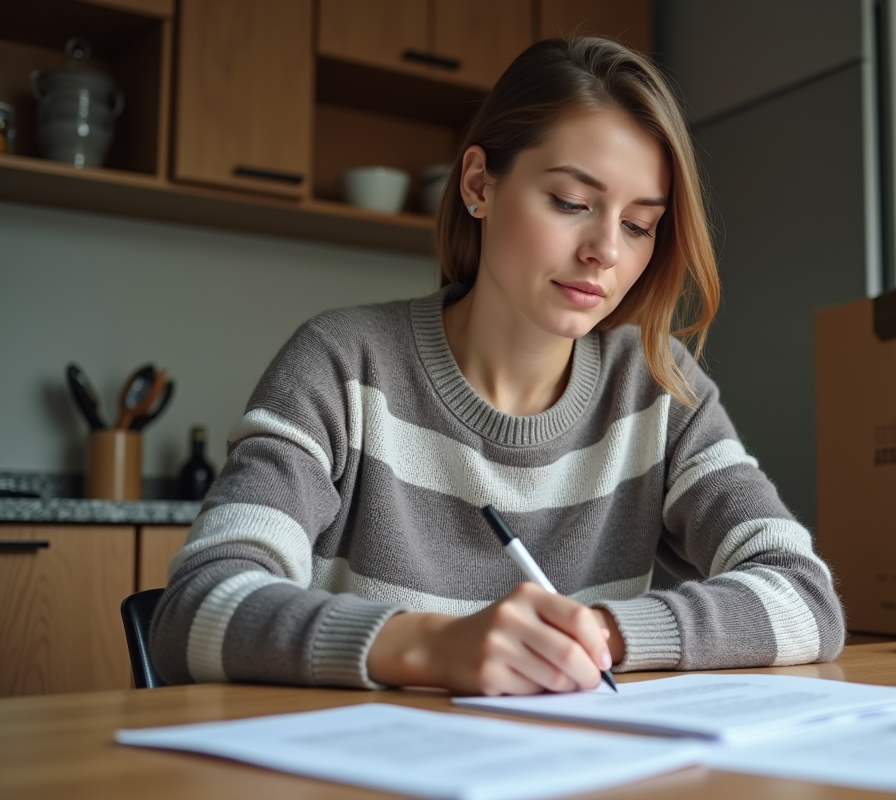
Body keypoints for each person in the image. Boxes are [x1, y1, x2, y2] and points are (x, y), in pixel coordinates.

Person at [149, 36, 845, 696]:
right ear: (480, 184)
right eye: (572, 203)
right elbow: (194, 610)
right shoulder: (341, 365)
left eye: (638, 224)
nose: (606, 249)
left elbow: (805, 598)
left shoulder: (657, 389)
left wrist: (596, 637)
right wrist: (430, 647)